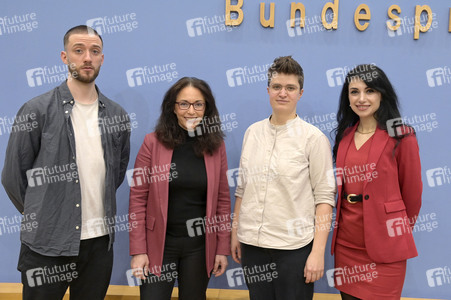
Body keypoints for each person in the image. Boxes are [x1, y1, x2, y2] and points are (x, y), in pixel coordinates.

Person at [1, 25, 131, 299]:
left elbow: (116, 174)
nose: (87, 58)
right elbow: (13, 177)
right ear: (64, 57)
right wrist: (46, 216)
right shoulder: (36, 110)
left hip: (98, 246)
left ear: (102, 58)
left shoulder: (117, 116)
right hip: (46, 246)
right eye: (79, 50)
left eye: (94, 51)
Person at [230, 56, 336, 300]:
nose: (282, 93)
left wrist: (317, 252)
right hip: (252, 246)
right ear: (268, 90)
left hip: (294, 249)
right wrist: (236, 233)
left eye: (290, 88)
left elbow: (324, 199)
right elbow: (242, 189)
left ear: (300, 93)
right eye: (277, 87)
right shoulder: (252, 132)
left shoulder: (313, 138)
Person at [129, 77, 231, 300]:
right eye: (183, 104)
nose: (191, 111)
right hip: (159, 245)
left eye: (198, 104)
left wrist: (222, 248)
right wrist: (138, 251)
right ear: (172, 108)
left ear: (207, 109)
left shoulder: (216, 147)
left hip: (199, 247)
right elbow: (137, 200)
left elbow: (223, 201)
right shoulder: (152, 143)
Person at [331, 64, 422, 299]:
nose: (361, 98)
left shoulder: (402, 135)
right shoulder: (344, 136)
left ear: (382, 93)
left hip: (386, 250)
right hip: (347, 247)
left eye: (369, 90)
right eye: (354, 92)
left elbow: (412, 197)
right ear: (347, 97)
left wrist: (391, 234)